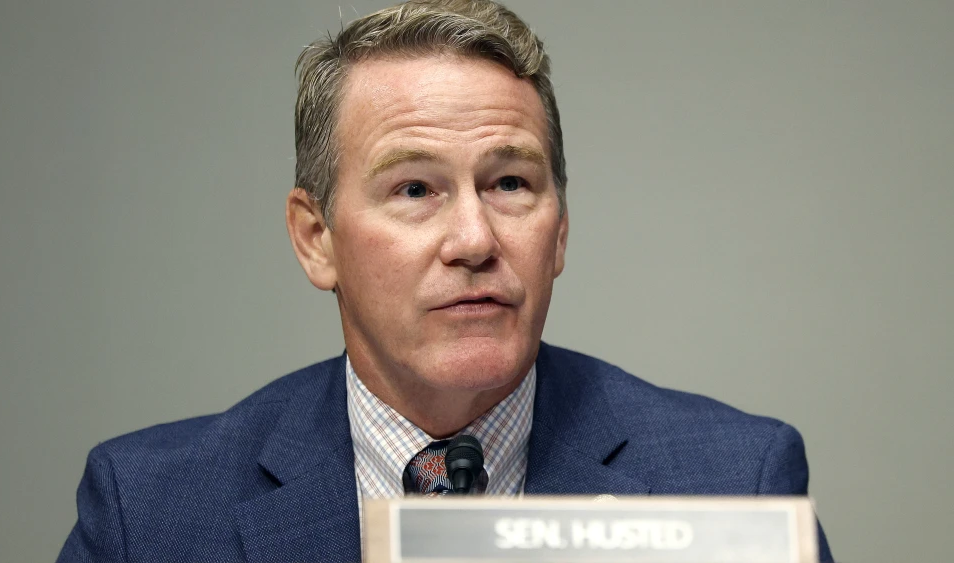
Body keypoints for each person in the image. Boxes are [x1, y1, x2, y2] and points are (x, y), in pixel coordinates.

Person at [57, 1, 833, 561]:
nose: (474, 239)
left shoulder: (736, 480)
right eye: (415, 190)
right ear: (315, 237)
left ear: (559, 231)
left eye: (510, 183)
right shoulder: (149, 511)